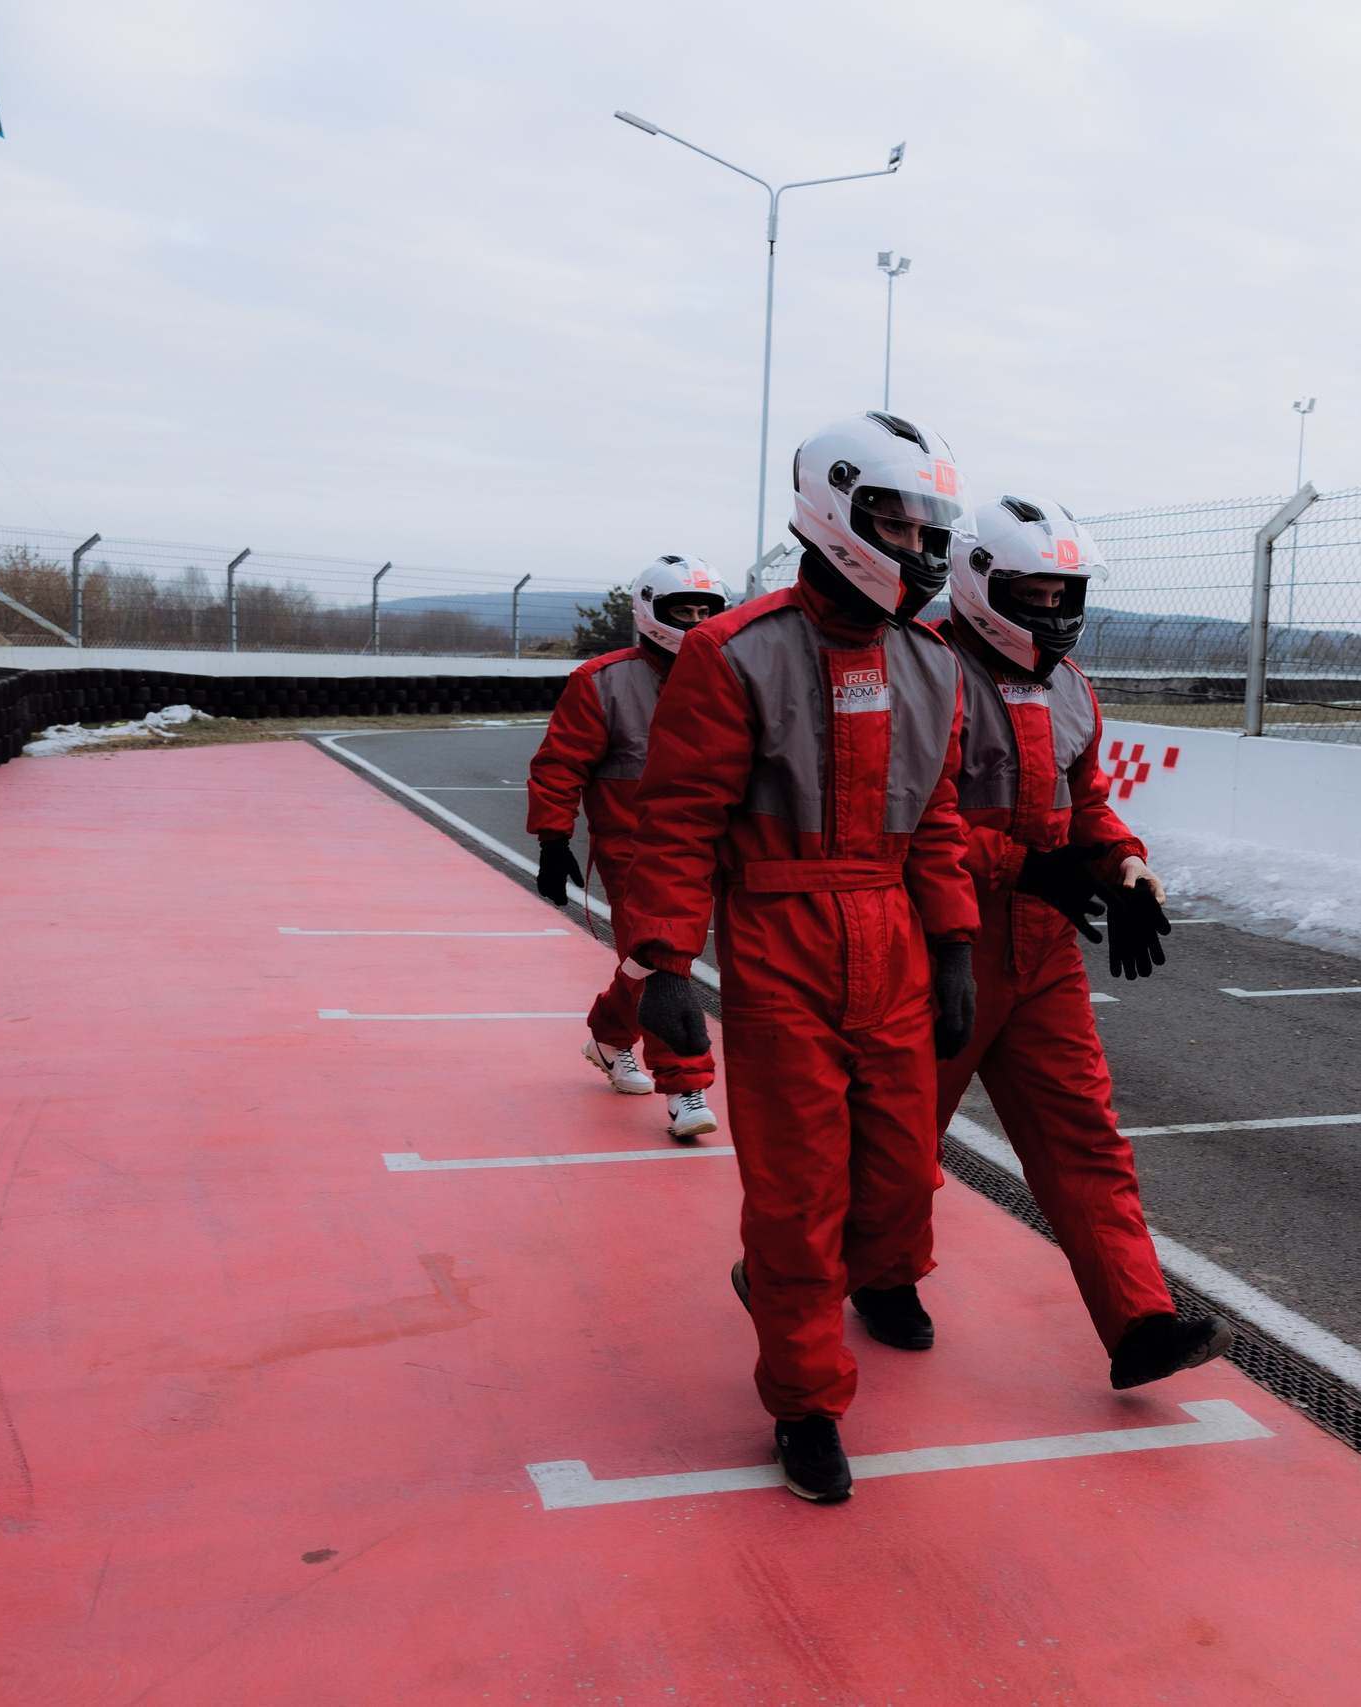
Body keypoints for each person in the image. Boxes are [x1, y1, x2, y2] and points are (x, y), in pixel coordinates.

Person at [620, 411, 979, 1504]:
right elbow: (675, 825)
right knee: (793, 1193)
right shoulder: (737, 654)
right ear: (836, 513)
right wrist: (665, 965)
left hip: (893, 940)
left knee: (902, 1174)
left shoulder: (932, 665)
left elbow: (939, 818)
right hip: (778, 945)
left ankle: (875, 1279)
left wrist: (955, 944)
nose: (918, 546)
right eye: (898, 520)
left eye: (931, 526)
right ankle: (806, 1399)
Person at [937, 495, 1234, 1388]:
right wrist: (1018, 868)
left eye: (1069, 590)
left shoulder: (1072, 686)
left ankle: (1140, 1321)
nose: (1057, 608)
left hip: (1046, 947)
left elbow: (1087, 805)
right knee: (895, 1145)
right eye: (1038, 588)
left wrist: (1125, 865)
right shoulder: (925, 671)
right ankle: (832, 1277)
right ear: (982, 580)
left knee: (1086, 1138)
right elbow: (913, 821)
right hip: (942, 944)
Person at [527, 557, 730, 1139]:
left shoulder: (732, 674)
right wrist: (552, 838)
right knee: (667, 960)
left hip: (717, 844)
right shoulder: (602, 680)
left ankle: (609, 1035)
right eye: (682, 610)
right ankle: (687, 1088)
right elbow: (559, 764)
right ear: (650, 611)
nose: (694, 621)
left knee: (644, 960)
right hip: (634, 851)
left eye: (704, 610)